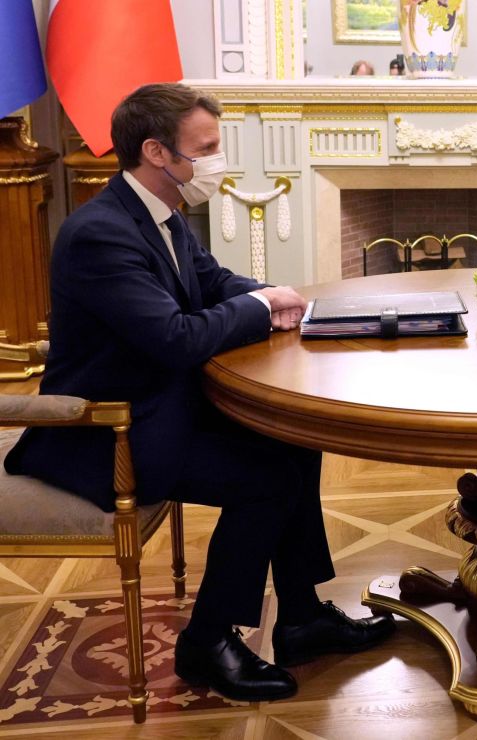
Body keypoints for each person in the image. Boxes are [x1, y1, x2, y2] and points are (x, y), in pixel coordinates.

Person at [3, 83, 395, 701]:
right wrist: (261, 308)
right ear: (157, 152)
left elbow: (212, 282)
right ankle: (207, 642)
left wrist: (277, 295)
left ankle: (301, 618)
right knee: (265, 480)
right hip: (106, 432)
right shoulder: (99, 234)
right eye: (206, 148)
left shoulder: (159, 214)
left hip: (162, 407)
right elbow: (176, 338)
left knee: (294, 439)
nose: (218, 160)